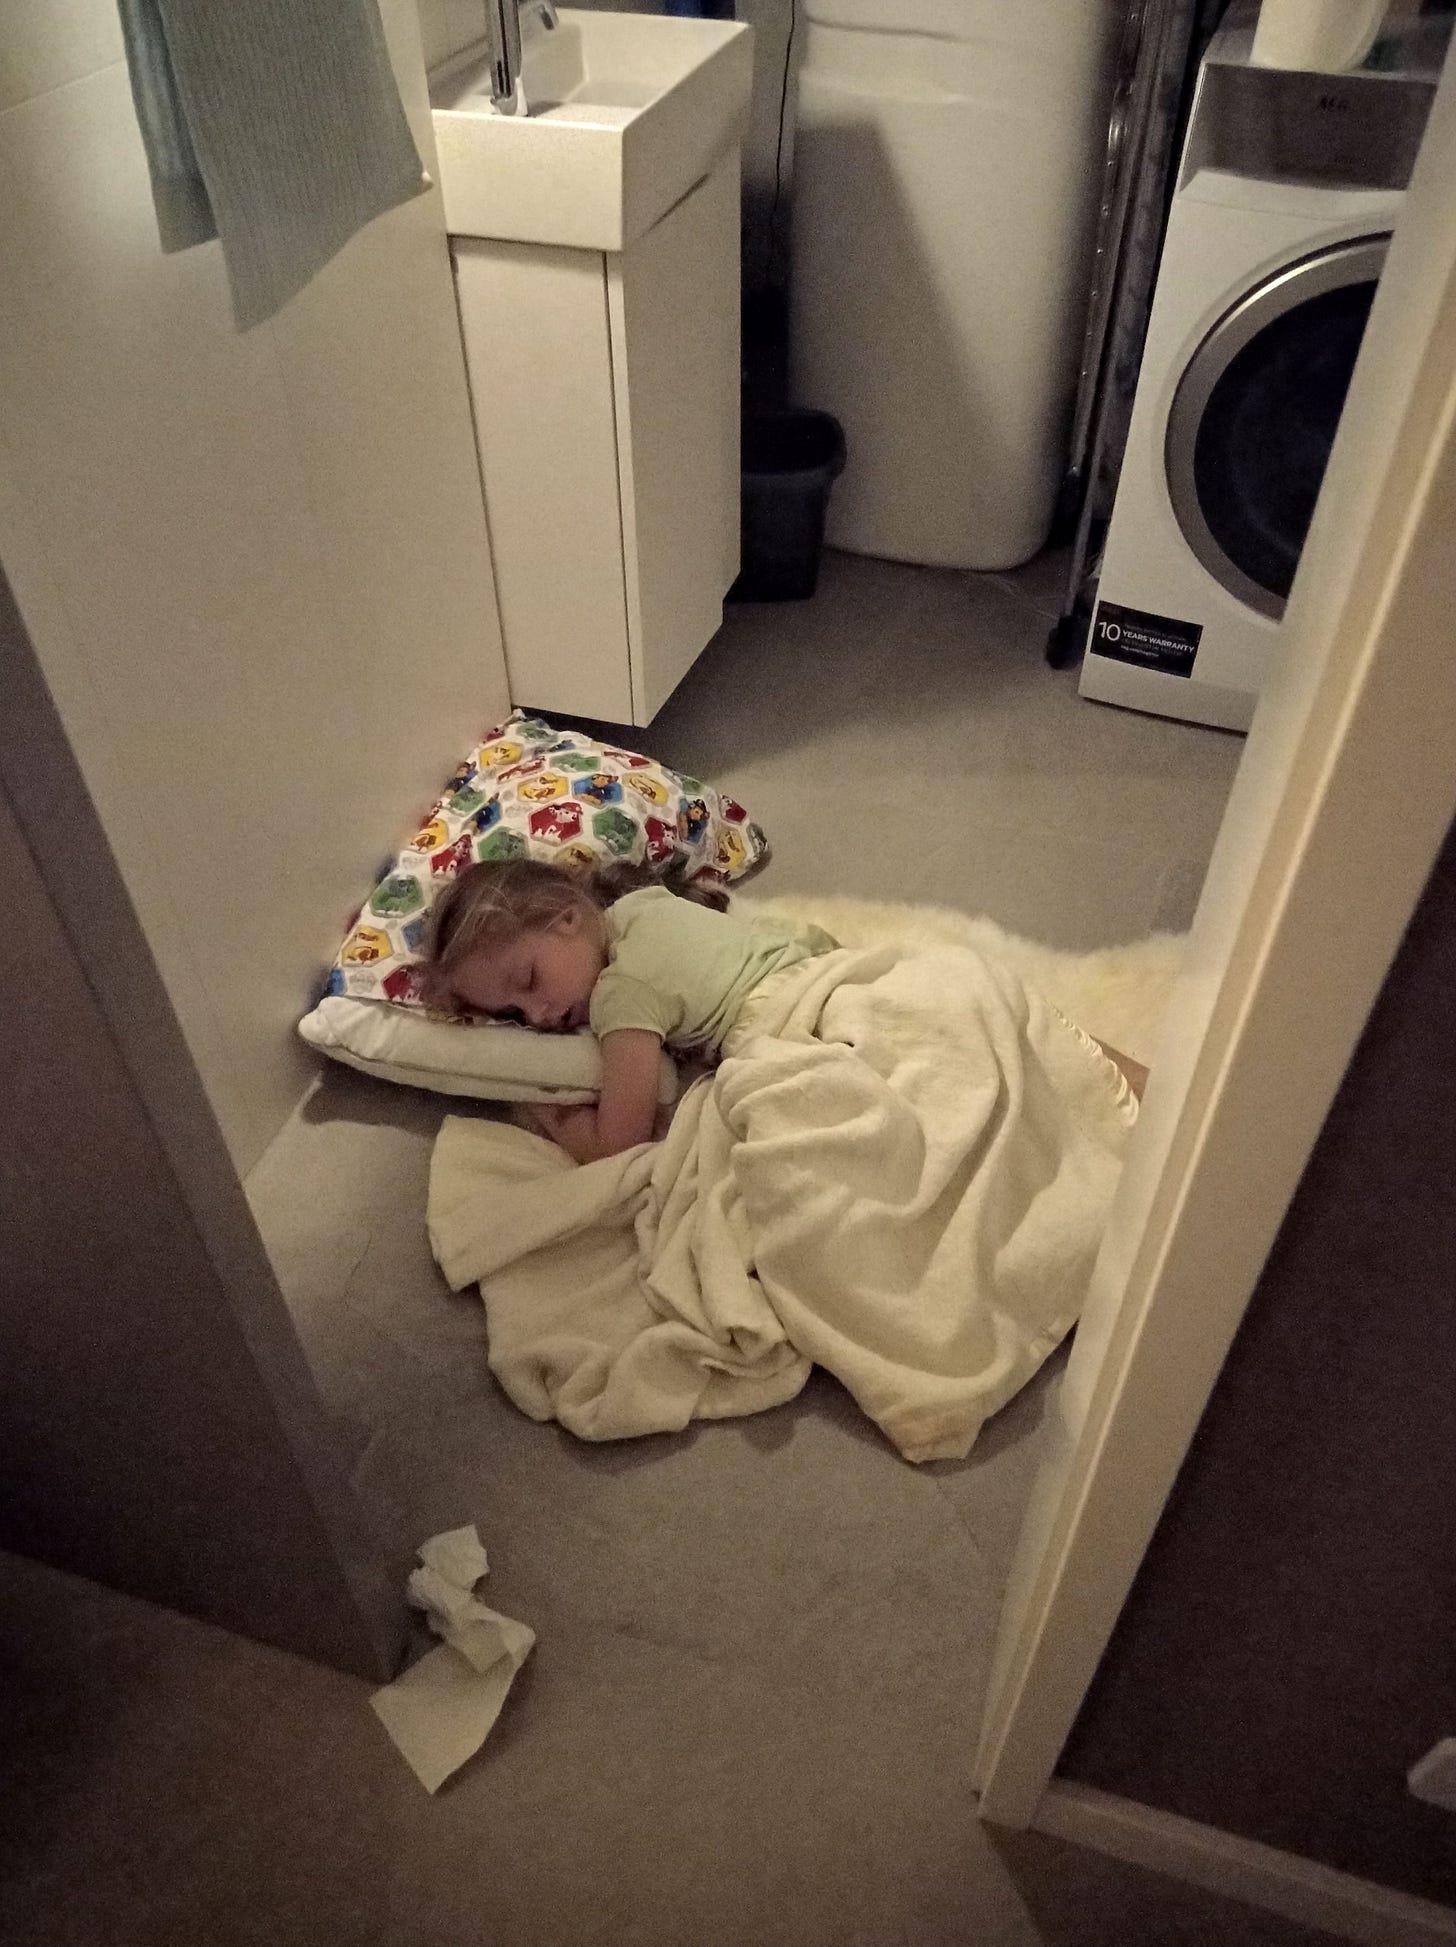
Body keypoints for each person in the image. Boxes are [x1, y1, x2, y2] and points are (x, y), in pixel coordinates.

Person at [421, 858, 1146, 1164]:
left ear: (568, 917)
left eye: (529, 979)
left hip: (804, 1018)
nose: (541, 1014)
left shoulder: (621, 996)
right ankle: (1138, 1082)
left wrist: (560, 1126)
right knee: (990, 1019)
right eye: (513, 1013)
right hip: (841, 971)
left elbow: (622, 1140)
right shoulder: (648, 903)